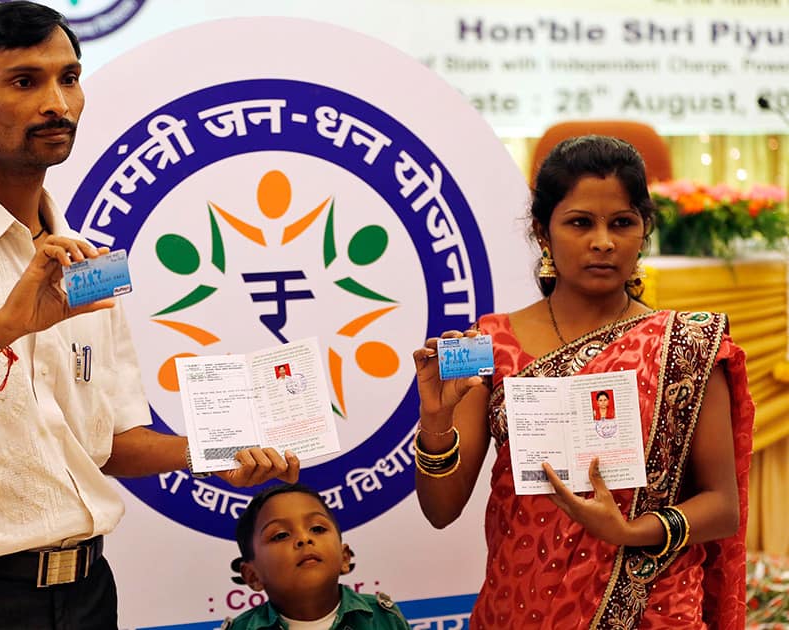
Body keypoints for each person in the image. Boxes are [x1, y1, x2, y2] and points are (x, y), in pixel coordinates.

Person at [0, 3, 298, 629]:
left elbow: (107, 443)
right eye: (25, 82)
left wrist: (212, 452)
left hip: (91, 595)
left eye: (68, 78)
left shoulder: (90, 262)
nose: (58, 103)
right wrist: (2, 327)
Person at [412, 135, 753, 628]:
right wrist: (435, 420)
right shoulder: (486, 344)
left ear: (644, 230)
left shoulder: (687, 346)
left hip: (651, 607)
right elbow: (440, 510)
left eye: (622, 223)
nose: (603, 242)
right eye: (579, 223)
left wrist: (632, 530)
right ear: (542, 233)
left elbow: (723, 507)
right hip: (523, 603)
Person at [222, 483, 408, 630]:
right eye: (281, 535)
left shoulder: (383, 618)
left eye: (317, 529)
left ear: (344, 558)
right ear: (253, 576)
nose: (304, 538)